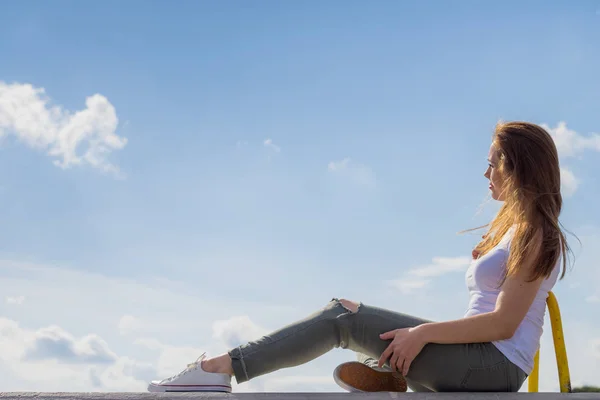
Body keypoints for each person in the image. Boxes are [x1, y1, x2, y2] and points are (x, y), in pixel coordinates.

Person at [147, 121, 571, 393]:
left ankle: (220, 368)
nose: (485, 173)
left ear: (517, 167)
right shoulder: (519, 230)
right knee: (357, 321)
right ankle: (388, 374)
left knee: (344, 317)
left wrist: (421, 334)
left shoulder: (537, 233)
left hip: (493, 365)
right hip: (483, 361)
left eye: (492, 163)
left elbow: (503, 323)